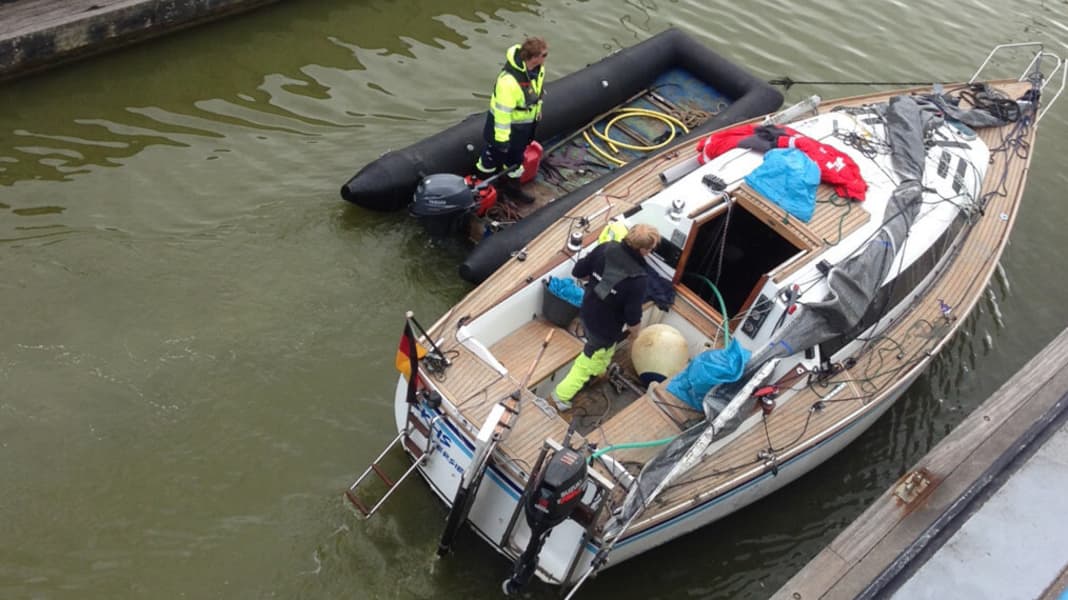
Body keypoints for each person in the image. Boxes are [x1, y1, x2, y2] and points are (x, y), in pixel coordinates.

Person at [552, 223, 662, 410]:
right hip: (606, 327)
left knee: (603, 350)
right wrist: (635, 335)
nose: (651, 252)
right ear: (643, 250)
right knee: (588, 358)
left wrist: (597, 280)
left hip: (587, 311)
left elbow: (578, 271)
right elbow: (633, 315)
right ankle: (560, 395)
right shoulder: (639, 280)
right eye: (651, 249)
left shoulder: (605, 248)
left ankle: (600, 368)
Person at [474, 36, 548, 204]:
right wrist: (502, 140)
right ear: (534, 57)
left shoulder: (538, 71)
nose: (546, 58)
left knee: (515, 160)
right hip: (503, 128)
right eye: (544, 55)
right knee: (490, 159)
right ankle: (483, 190)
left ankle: (512, 189)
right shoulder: (508, 82)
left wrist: (538, 111)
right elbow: (502, 114)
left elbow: (536, 93)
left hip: (524, 126)